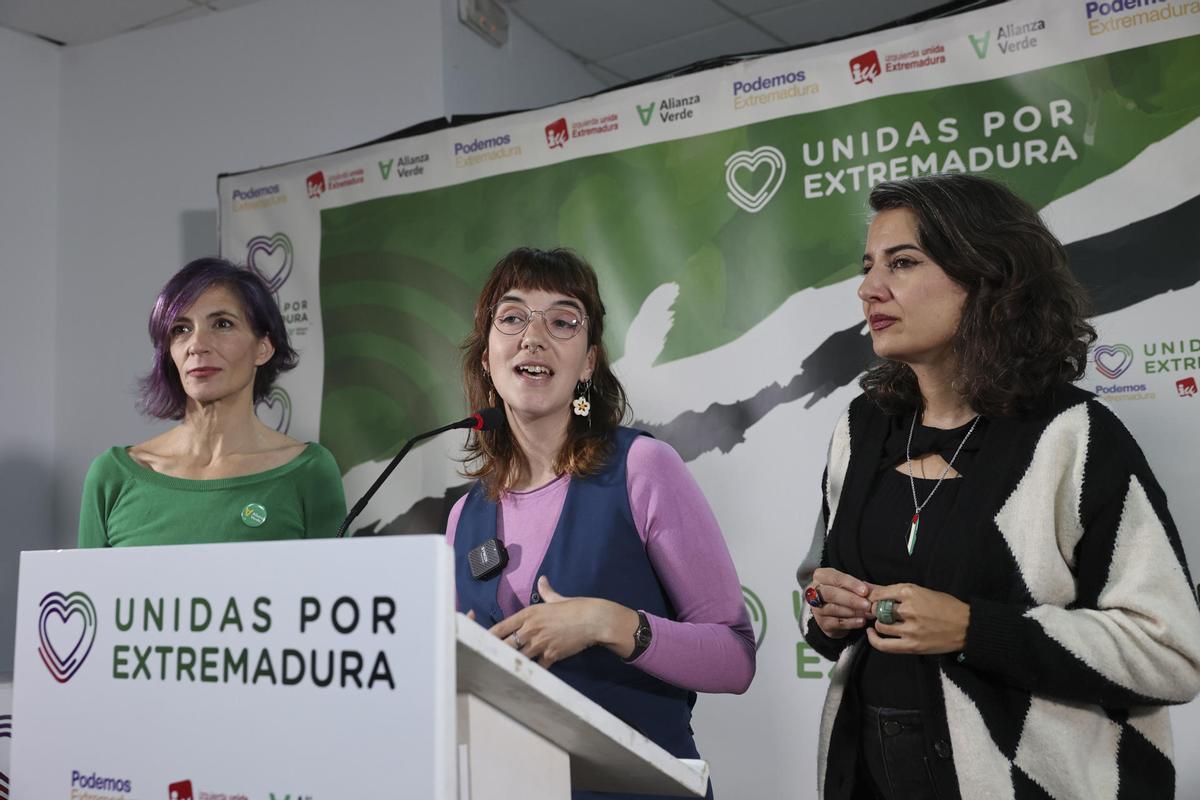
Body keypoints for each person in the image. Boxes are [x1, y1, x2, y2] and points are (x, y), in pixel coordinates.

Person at [798, 175, 1200, 799]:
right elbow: (818, 600)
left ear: (989, 275)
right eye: (869, 265)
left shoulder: (1074, 435)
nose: (868, 288)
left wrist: (972, 630)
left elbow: (1171, 651)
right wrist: (828, 612)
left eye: (902, 263)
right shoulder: (861, 426)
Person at [447, 247, 755, 800]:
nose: (533, 336)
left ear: (588, 363)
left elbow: (734, 658)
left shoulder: (642, 468)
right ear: (488, 355)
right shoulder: (464, 515)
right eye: (512, 317)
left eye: (562, 321)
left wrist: (606, 623)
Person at [78, 257, 346, 547]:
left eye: (222, 324)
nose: (197, 345)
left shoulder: (309, 472)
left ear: (263, 348)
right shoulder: (112, 475)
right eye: (181, 330)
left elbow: (332, 589)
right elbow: (82, 591)